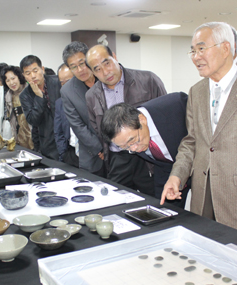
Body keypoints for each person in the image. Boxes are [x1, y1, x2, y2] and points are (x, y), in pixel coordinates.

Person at [161, 22, 237, 237]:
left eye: (201, 48)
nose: (195, 56)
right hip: (202, 198)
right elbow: (191, 142)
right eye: (192, 50)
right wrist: (176, 177)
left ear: (226, 48)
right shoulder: (196, 92)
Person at [86, 44, 166, 195]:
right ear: (93, 73)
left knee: (154, 202)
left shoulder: (148, 80)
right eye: (97, 69)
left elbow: (164, 115)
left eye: (107, 63)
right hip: (118, 158)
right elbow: (98, 129)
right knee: (117, 201)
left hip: (148, 155)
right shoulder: (92, 95)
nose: (105, 72)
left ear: (115, 57)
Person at [101, 94, 190, 206]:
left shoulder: (177, 105)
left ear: (142, 120)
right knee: (164, 211)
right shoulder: (128, 140)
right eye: (125, 147)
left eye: (133, 140)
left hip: (201, 168)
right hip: (165, 170)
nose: (134, 149)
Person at [61, 41, 105, 175]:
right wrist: (100, 149)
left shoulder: (105, 77)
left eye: (82, 63)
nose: (80, 70)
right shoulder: (67, 91)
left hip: (121, 149)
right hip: (94, 155)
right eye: (73, 67)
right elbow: (78, 126)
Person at [19, 55, 59, 160]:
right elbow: (33, 120)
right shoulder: (25, 95)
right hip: (48, 144)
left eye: (35, 71)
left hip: (68, 141)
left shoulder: (57, 82)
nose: (33, 76)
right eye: (28, 73)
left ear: (43, 69)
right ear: (24, 76)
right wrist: (39, 97)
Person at [1, 65, 34, 149]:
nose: (11, 83)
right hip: (20, 134)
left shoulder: (30, 90)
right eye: (7, 80)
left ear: (19, 77)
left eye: (13, 78)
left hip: (34, 132)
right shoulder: (8, 96)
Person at [54, 64, 79, 166]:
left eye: (68, 81)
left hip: (90, 154)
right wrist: (63, 153)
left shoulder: (89, 97)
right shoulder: (60, 102)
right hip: (70, 152)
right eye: (62, 83)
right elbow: (58, 131)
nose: (65, 85)